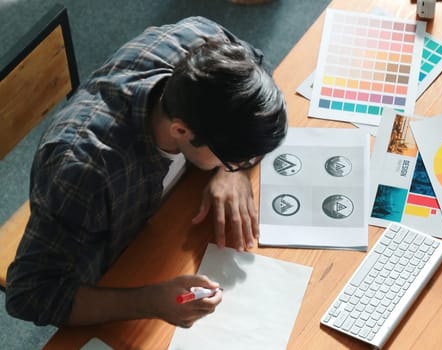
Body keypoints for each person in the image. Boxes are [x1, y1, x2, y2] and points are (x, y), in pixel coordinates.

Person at [5, 16, 287, 329]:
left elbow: (259, 68)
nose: (244, 163)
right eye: (232, 159)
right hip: (106, 257)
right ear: (181, 129)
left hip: (162, 223)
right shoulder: (84, 174)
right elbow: (31, 295)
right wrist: (151, 302)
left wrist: (231, 173)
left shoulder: (204, 39)